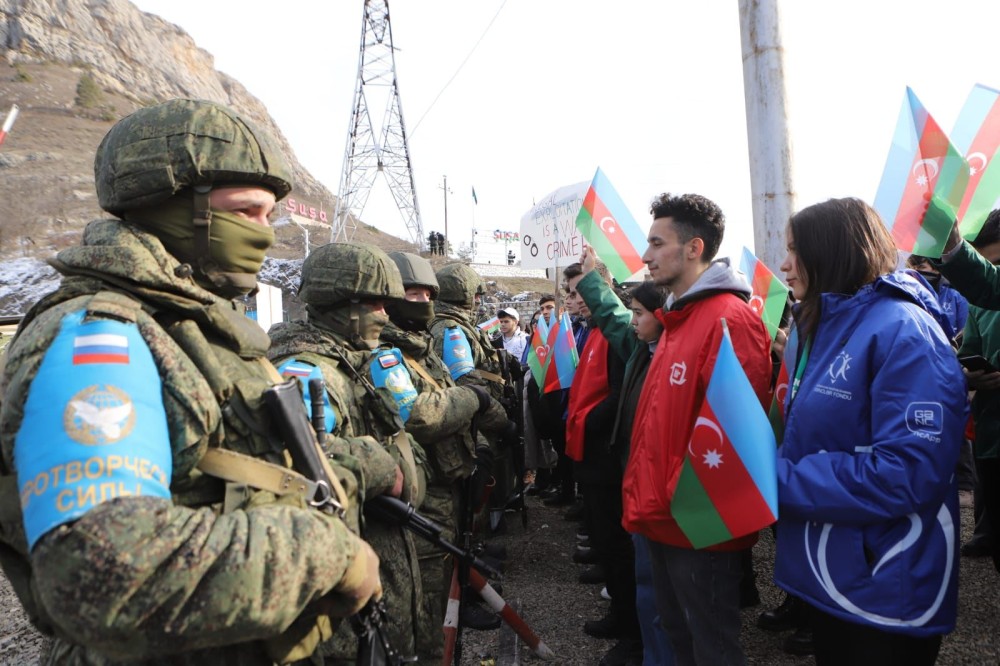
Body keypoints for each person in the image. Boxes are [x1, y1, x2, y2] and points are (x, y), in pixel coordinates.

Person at [0, 99, 385, 664]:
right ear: (175, 208)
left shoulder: (193, 328)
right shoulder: (100, 336)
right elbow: (101, 571)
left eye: (269, 216)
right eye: (245, 212)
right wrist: (327, 555)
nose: (263, 234)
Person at [775, 198, 966, 665]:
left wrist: (776, 480)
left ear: (833, 252)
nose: (784, 264)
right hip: (836, 575)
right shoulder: (825, 325)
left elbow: (907, 471)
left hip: (884, 586)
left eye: (796, 250)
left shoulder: (904, 330)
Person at [622, 193, 772, 666]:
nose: (645, 256)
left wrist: (680, 499)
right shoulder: (679, 320)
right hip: (663, 517)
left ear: (694, 248)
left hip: (697, 525)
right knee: (679, 639)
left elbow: (737, 438)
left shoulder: (728, 320)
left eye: (656, 243)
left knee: (712, 647)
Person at [268, 242, 428, 663]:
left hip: (382, 561)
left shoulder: (353, 361)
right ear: (344, 305)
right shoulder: (307, 371)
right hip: (346, 595)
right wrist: (377, 466)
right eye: (376, 303)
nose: (385, 314)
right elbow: (294, 463)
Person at [381, 251, 510, 642]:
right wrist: (484, 405)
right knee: (433, 577)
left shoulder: (418, 342)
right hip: (425, 478)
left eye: (426, 295)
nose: (421, 303)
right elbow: (423, 412)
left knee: (452, 548)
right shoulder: (388, 352)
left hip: (446, 467)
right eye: (412, 294)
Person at [575, 248, 669, 666]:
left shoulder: (668, 352)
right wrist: (593, 278)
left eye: (639, 313)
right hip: (631, 472)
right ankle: (636, 635)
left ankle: (640, 641)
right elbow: (613, 317)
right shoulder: (641, 348)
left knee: (646, 570)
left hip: (653, 482)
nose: (631, 321)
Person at [428, 263, 520, 531]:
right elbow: (468, 385)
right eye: (474, 296)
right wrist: (502, 421)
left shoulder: (461, 326)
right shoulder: (450, 330)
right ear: (463, 296)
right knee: (478, 478)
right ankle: (477, 538)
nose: (478, 301)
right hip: (478, 420)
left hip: (483, 416)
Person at [939, 209, 1000, 565]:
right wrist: (969, 373)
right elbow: (969, 354)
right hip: (992, 439)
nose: (993, 275)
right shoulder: (979, 305)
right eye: (989, 265)